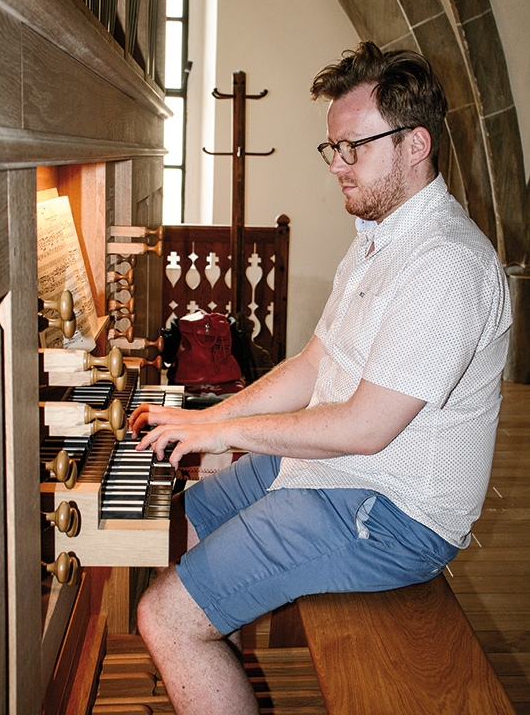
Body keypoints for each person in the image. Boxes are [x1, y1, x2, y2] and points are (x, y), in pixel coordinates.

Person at [129, 41, 512, 715]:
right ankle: (213, 671)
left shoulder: (445, 264)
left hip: (389, 512)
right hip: (334, 477)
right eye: (330, 149)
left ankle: (195, 644)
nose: (335, 165)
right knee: (183, 520)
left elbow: (364, 430)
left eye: (351, 148)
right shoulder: (377, 239)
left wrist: (225, 430)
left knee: (163, 617)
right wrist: (205, 422)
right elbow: (312, 366)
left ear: (414, 144)